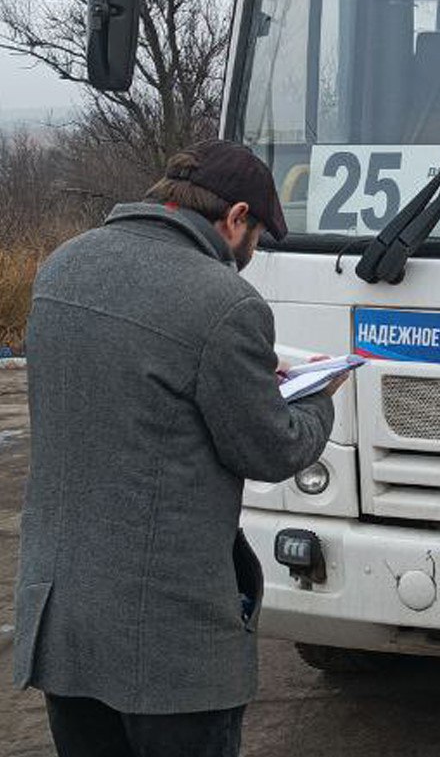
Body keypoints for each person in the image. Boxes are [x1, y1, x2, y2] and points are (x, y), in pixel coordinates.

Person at [12, 139, 346, 757]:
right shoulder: (224, 300)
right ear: (236, 217)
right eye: (255, 240)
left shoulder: (63, 266)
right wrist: (319, 396)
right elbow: (271, 450)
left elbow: (131, 390)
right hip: (168, 648)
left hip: (64, 625)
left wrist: (236, 374)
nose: (248, 258)